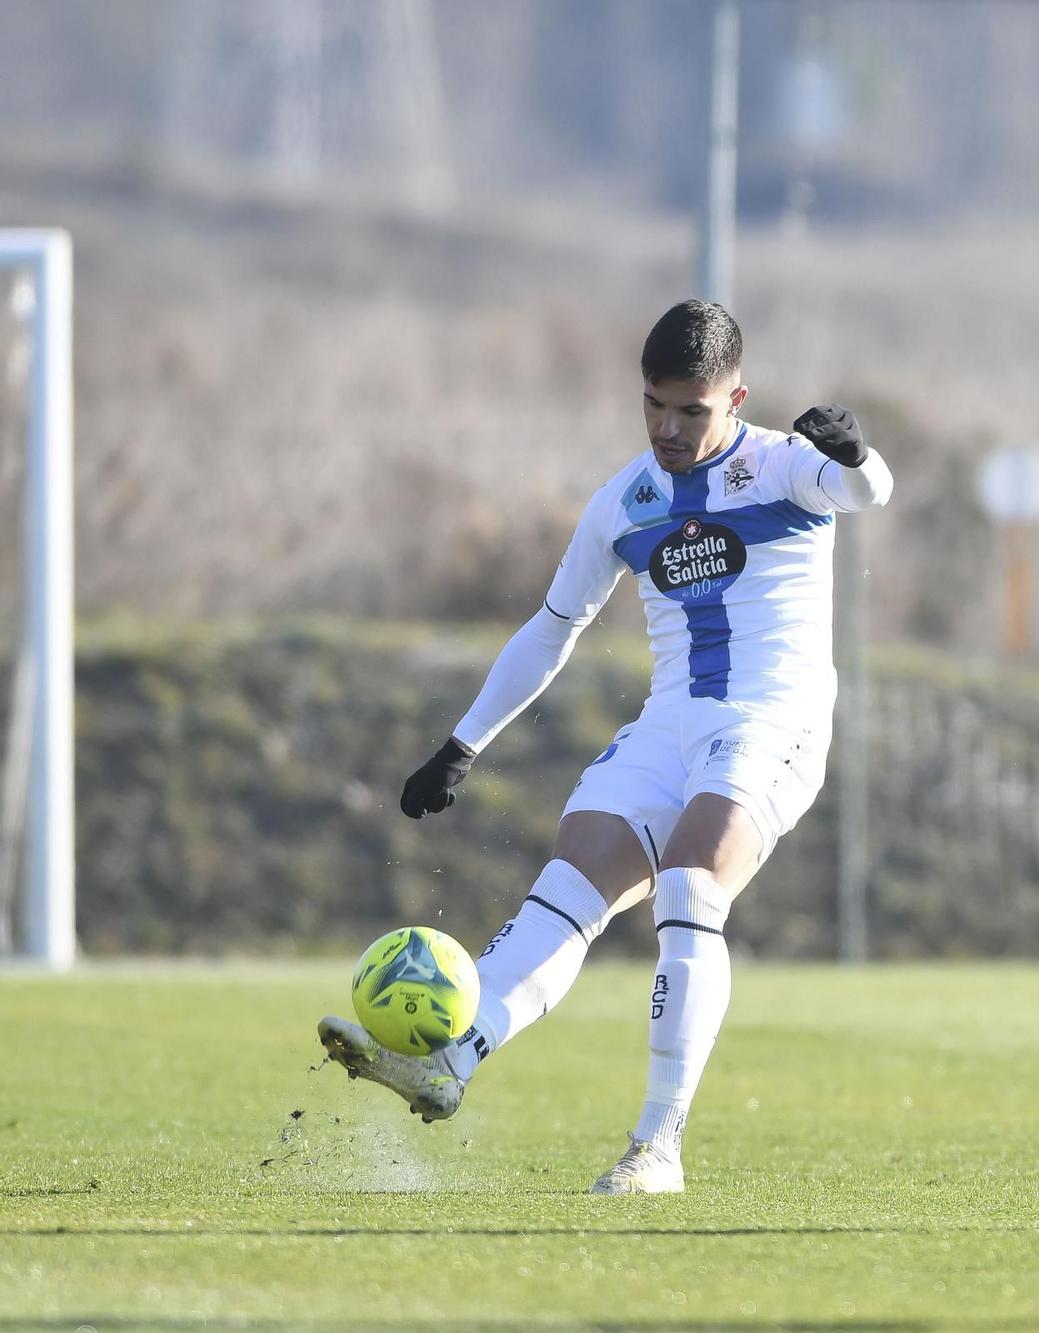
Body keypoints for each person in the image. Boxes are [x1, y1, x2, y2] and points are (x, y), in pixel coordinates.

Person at [318, 298, 893, 1195]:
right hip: (672, 724)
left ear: (735, 398)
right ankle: (450, 1062)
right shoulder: (624, 503)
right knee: (573, 870)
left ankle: (656, 1148)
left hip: (772, 721)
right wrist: (463, 741)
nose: (668, 427)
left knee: (692, 881)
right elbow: (553, 628)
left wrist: (856, 452)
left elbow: (867, 493)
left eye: (691, 410)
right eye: (654, 405)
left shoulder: (786, 465)